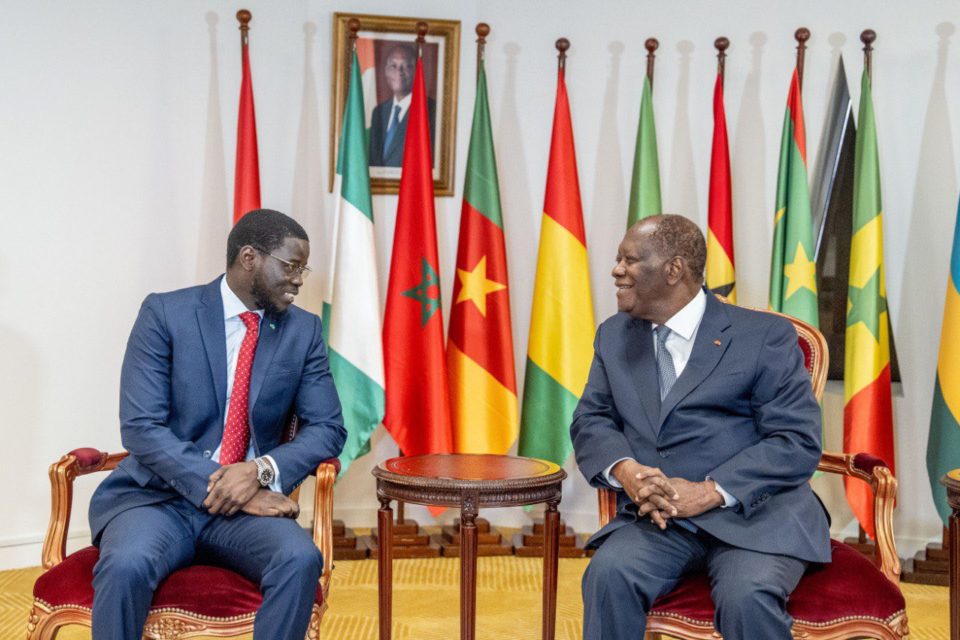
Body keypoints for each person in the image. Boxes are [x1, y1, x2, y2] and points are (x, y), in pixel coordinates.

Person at [88, 209, 346, 640]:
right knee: (125, 564)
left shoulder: (303, 331)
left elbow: (328, 427)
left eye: (303, 269)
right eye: (290, 266)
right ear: (249, 257)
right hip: (158, 499)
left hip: (245, 510)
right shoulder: (166, 313)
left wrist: (259, 472)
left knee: (299, 559)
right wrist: (228, 486)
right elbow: (141, 426)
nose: (299, 280)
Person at [571, 214, 830, 640]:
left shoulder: (763, 336)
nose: (616, 270)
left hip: (754, 516)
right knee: (608, 574)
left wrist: (710, 491)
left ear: (674, 269)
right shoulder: (615, 336)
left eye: (629, 260)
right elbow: (591, 419)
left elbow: (796, 440)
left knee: (747, 597)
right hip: (662, 519)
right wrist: (627, 472)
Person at [367, 42, 437, 167]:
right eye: (393, 66)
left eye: (407, 66)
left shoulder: (431, 111)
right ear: (386, 72)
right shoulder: (378, 112)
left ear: (417, 72)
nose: (399, 71)